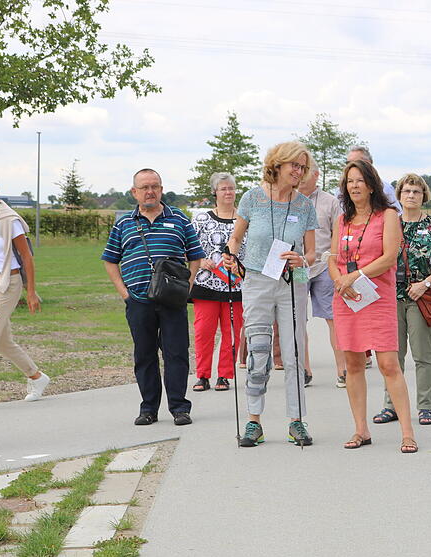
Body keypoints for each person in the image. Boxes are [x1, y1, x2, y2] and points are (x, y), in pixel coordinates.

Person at [223, 142, 317, 447]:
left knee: (293, 353)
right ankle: (254, 422)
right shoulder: (252, 198)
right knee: (259, 350)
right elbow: (236, 238)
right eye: (295, 165)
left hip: (292, 282)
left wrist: (301, 259)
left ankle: (297, 421)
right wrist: (230, 256)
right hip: (257, 281)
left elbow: (313, 253)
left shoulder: (304, 205)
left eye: (303, 167)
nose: (299, 172)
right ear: (277, 164)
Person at [102, 169, 204, 426]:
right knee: (144, 355)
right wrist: (125, 294)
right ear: (134, 192)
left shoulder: (179, 218)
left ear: (162, 189)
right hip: (138, 300)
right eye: (145, 187)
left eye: (155, 186)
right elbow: (110, 261)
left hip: (173, 301)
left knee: (176, 354)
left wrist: (187, 287)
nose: (150, 191)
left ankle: (180, 408)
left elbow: (195, 255)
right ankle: (148, 409)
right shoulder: (124, 223)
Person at [328, 159, 418, 453]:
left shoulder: (388, 215)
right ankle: (361, 430)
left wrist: (354, 275)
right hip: (347, 299)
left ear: (371, 185)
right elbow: (332, 258)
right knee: (353, 364)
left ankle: (407, 433)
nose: (354, 186)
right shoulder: (342, 220)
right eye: (349, 181)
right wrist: (341, 280)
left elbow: (389, 257)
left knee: (388, 364)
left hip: (376, 298)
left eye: (359, 181)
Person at [372, 173, 431, 426]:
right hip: (391, 297)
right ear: (399, 195)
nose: (411, 196)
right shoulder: (389, 223)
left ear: (424, 196)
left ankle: (425, 406)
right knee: (392, 356)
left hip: (423, 297)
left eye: (416, 192)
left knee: (423, 355)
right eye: (406, 191)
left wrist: (425, 284)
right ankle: (391, 405)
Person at [190, 173, 246, 393]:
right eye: (223, 189)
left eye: (231, 188)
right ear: (215, 192)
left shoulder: (243, 219)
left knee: (232, 332)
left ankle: (224, 374)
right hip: (206, 285)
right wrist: (200, 261)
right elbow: (188, 247)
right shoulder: (201, 218)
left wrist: (240, 267)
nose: (228, 193)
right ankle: (202, 375)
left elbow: (250, 249)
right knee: (204, 332)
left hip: (236, 285)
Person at [0, 182, 50, 401]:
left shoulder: (9, 220)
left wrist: (31, 291)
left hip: (9, 283)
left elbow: (27, 257)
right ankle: (36, 377)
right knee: (3, 342)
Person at [299, 155, 347, 387]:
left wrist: (335, 264)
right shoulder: (288, 200)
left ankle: (343, 370)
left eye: (305, 170)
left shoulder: (330, 202)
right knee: (298, 320)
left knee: (333, 318)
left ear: (316, 175)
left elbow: (337, 235)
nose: (299, 174)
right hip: (297, 267)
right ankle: (304, 370)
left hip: (325, 266)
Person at [345, 145, 402, 212]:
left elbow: (397, 214)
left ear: (369, 163)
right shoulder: (340, 191)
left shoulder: (385, 188)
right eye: (348, 163)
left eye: (357, 162)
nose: (351, 166)